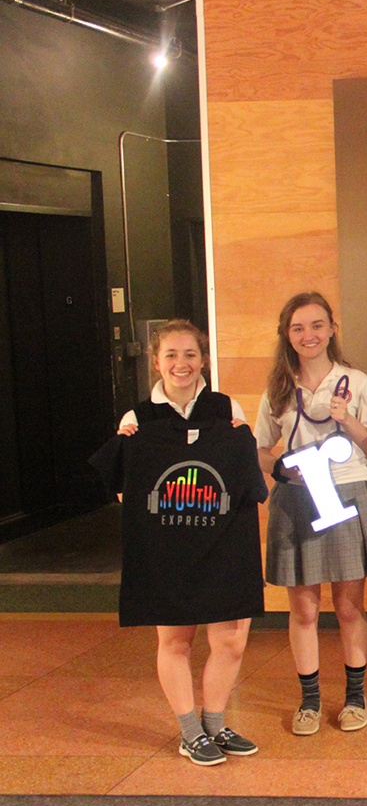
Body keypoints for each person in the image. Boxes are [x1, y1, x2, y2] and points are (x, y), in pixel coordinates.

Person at [109, 320, 263, 766]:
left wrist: (239, 438)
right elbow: (127, 493)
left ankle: (215, 722)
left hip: (224, 545)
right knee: (175, 641)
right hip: (167, 549)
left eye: (190, 354)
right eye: (172, 355)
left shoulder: (225, 408)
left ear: (203, 359)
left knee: (232, 639)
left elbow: (243, 475)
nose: (182, 364)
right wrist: (128, 452)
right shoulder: (138, 420)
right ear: (156, 362)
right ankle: (189, 731)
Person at [254, 292, 367, 736]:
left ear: (332, 328)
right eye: (297, 328)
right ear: (287, 335)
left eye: (316, 325)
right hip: (298, 499)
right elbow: (258, 447)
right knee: (304, 610)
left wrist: (348, 420)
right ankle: (309, 702)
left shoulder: (357, 381)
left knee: (349, 606)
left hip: (347, 494)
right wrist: (278, 467)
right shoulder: (277, 386)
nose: (308, 335)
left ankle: (355, 698)